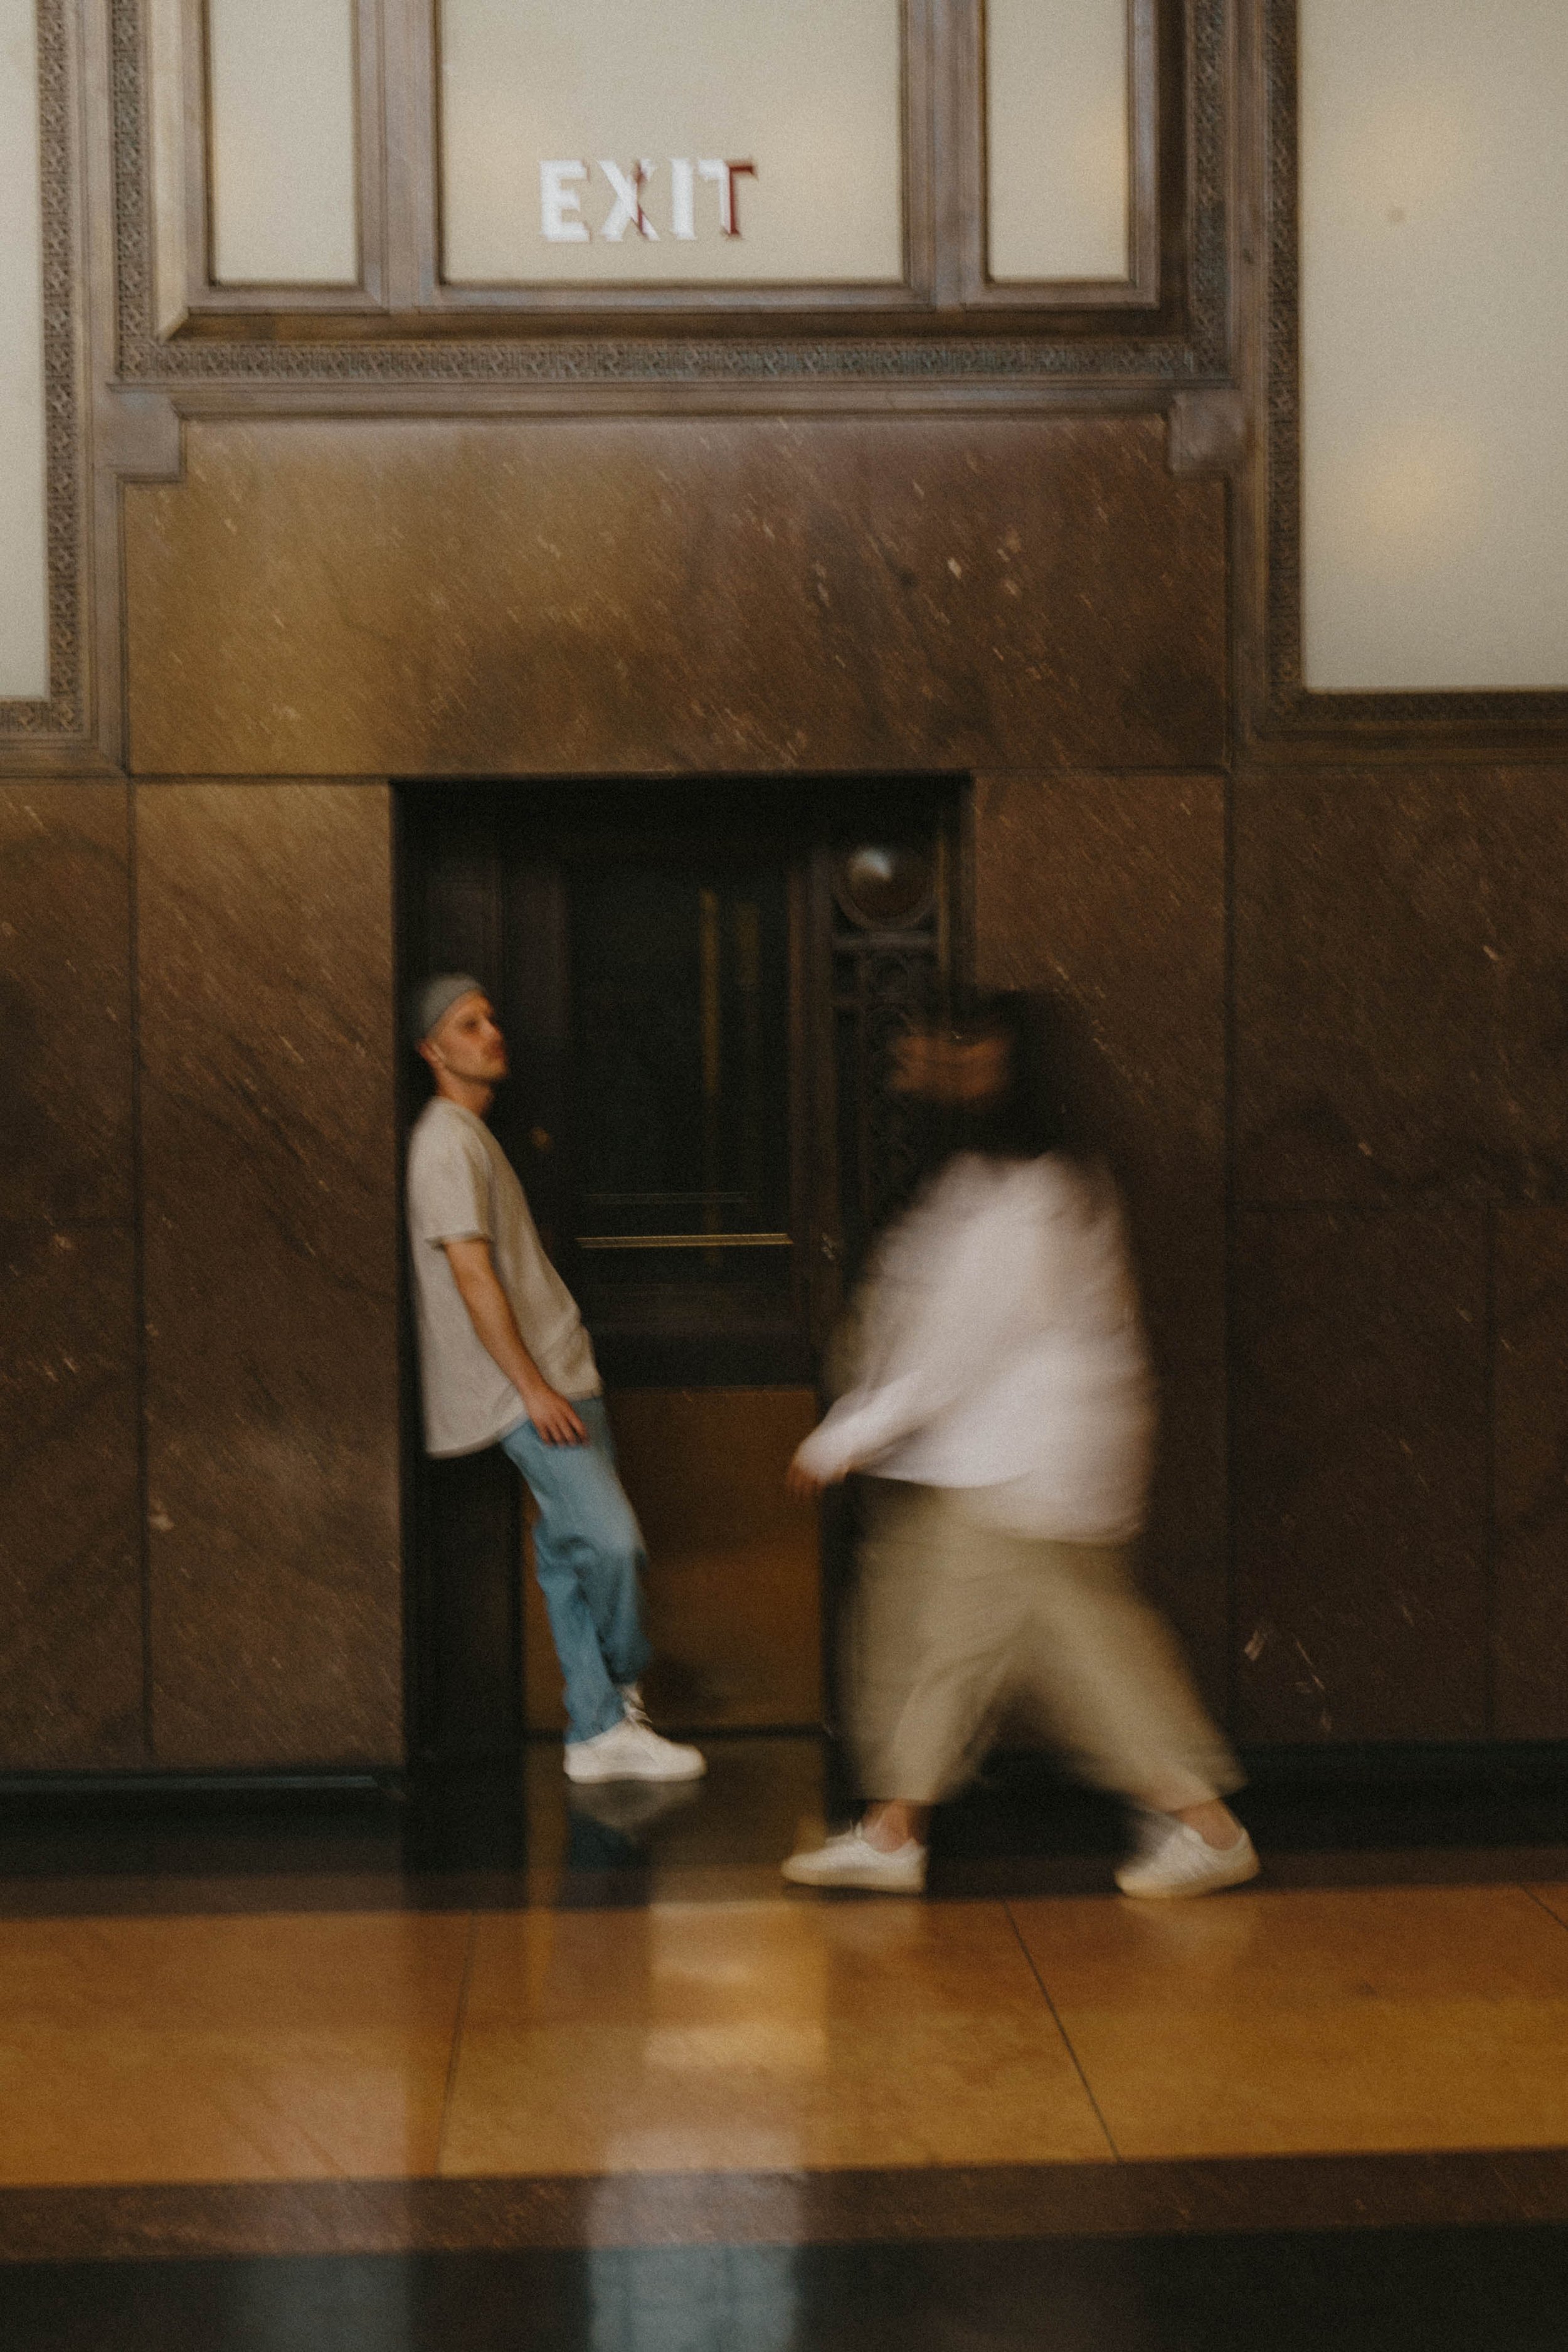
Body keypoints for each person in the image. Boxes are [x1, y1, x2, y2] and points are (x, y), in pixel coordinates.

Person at [781, 991, 1256, 1899]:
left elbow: (962, 1343)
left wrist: (847, 1435)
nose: (923, 1062)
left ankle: (1203, 1824)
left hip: (1018, 1472)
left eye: (954, 1047)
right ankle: (897, 1829)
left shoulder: (1030, 1196)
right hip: (1003, 1470)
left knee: (1031, 1655)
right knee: (974, 1643)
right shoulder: (1000, 1179)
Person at [406, 972, 704, 1785]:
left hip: (558, 1371)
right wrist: (533, 1388)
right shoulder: (444, 1142)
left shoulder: (472, 1136)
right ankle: (622, 1691)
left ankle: (595, 1729)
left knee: (570, 1556)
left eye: (490, 1018)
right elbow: (471, 1276)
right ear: (432, 1050)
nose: (491, 1032)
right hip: (529, 1388)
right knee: (611, 1542)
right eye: (468, 1025)